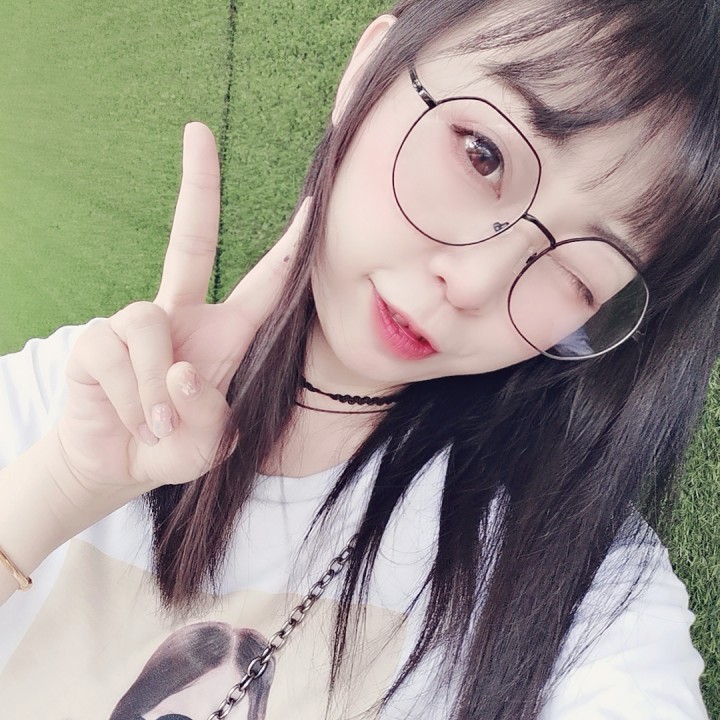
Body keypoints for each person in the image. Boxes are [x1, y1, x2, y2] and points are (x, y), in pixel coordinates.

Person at [0, 0, 718, 718]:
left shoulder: (579, 580)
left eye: (578, 275)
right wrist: (60, 488)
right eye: (483, 154)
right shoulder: (67, 400)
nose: (475, 282)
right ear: (368, 68)